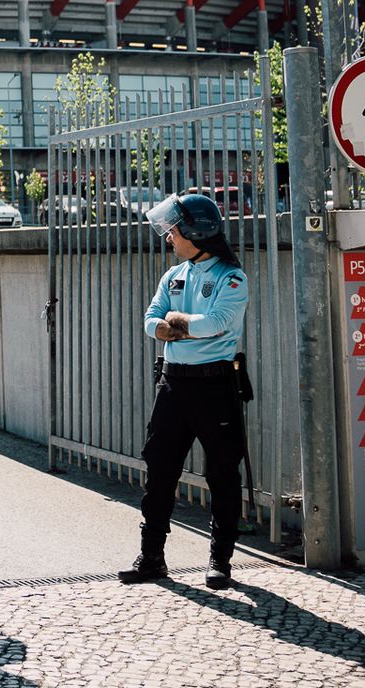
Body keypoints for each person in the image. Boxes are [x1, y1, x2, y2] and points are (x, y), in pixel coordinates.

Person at [118, 191, 250, 590]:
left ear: (196, 231)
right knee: (158, 470)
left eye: (174, 230)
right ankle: (152, 557)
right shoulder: (172, 276)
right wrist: (179, 326)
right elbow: (148, 322)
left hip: (216, 385)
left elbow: (216, 323)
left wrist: (174, 323)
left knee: (222, 473)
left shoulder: (231, 277)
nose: (168, 237)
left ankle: (220, 561)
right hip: (173, 382)